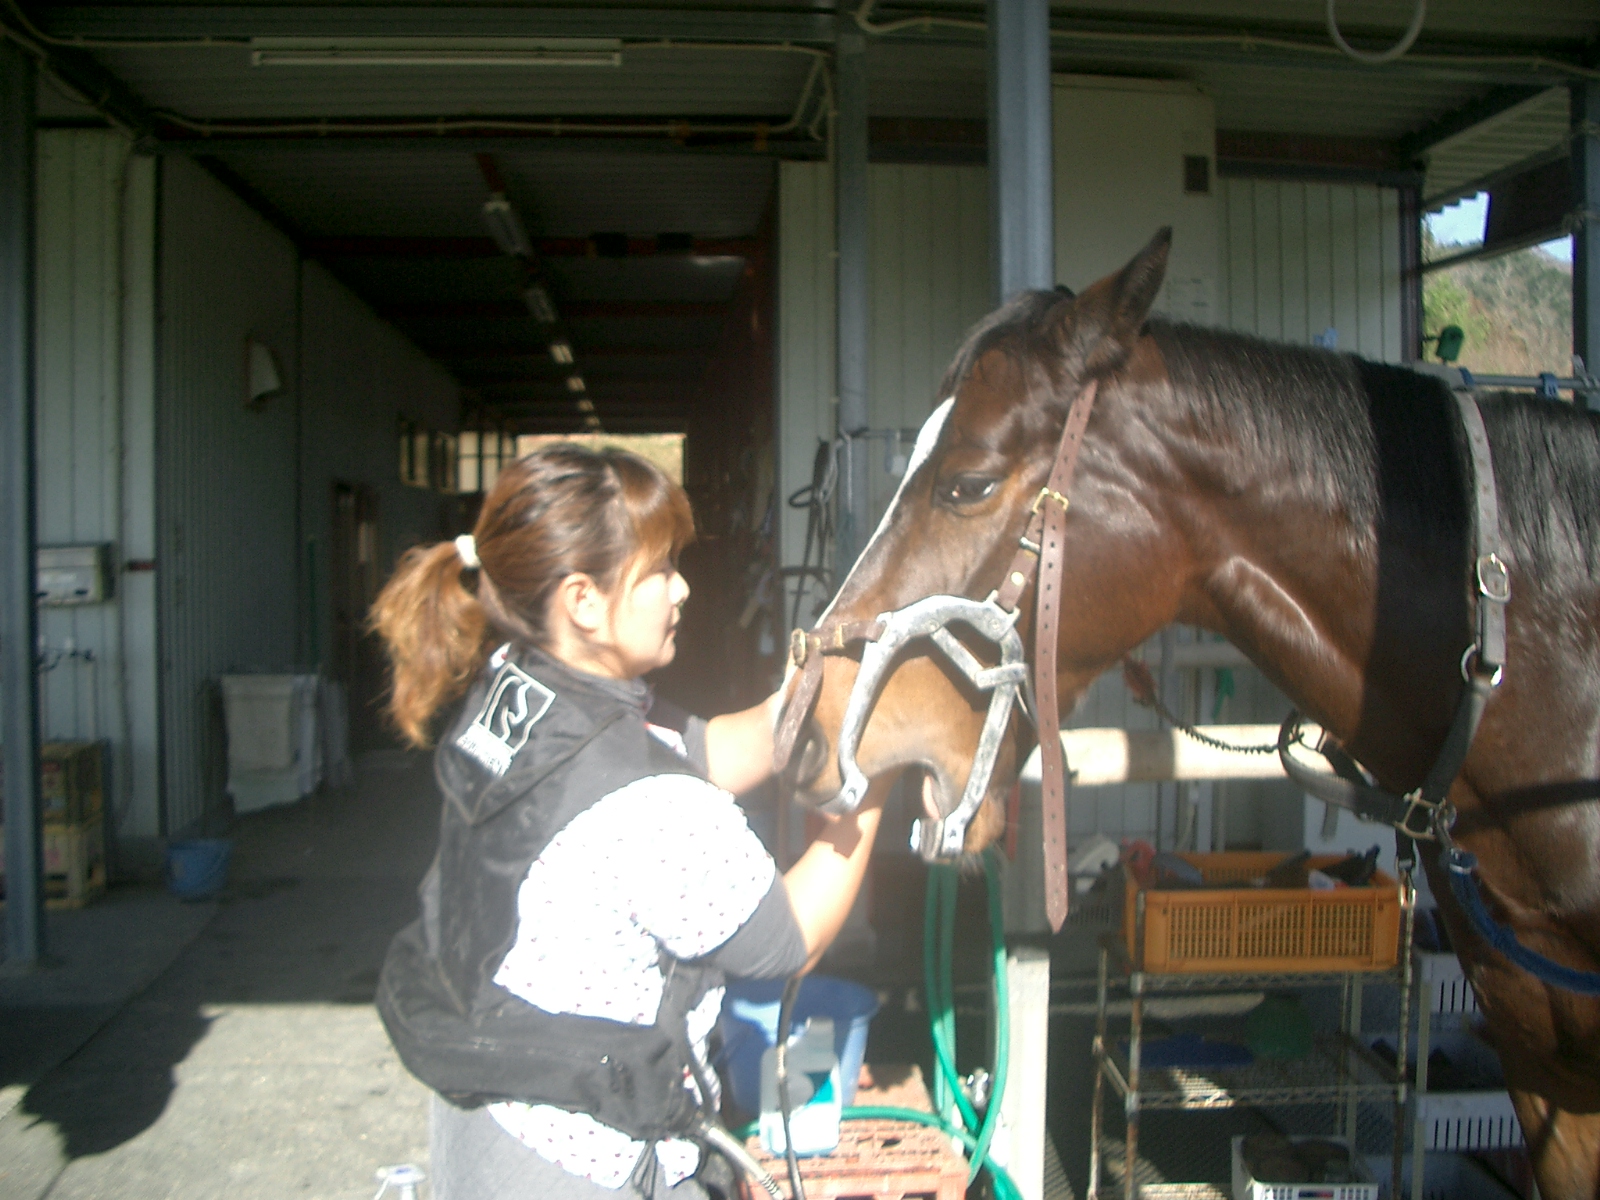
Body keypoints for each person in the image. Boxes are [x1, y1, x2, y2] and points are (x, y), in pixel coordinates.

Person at [368, 443, 885, 1200]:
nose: (682, 589)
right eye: (660, 571)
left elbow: (697, 748)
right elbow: (789, 940)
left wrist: (808, 702)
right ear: (583, 600)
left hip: (486, 1121)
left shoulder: (517, 689)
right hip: (585, 1164)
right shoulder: (651, 808)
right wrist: (875, 780)